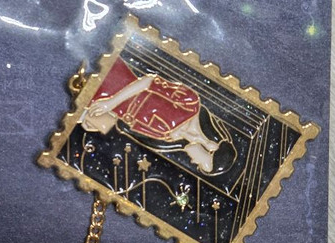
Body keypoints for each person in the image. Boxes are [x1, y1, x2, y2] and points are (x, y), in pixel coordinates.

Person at [82, 58, 235, 175]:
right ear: (211, 148)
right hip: (114, 78)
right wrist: (110, 103)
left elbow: (123, 122)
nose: (193, 162)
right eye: (201, 163)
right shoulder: (190, 104)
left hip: (97, 103)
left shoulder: (168, 138)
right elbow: (148, 81)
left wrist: (95, 120)